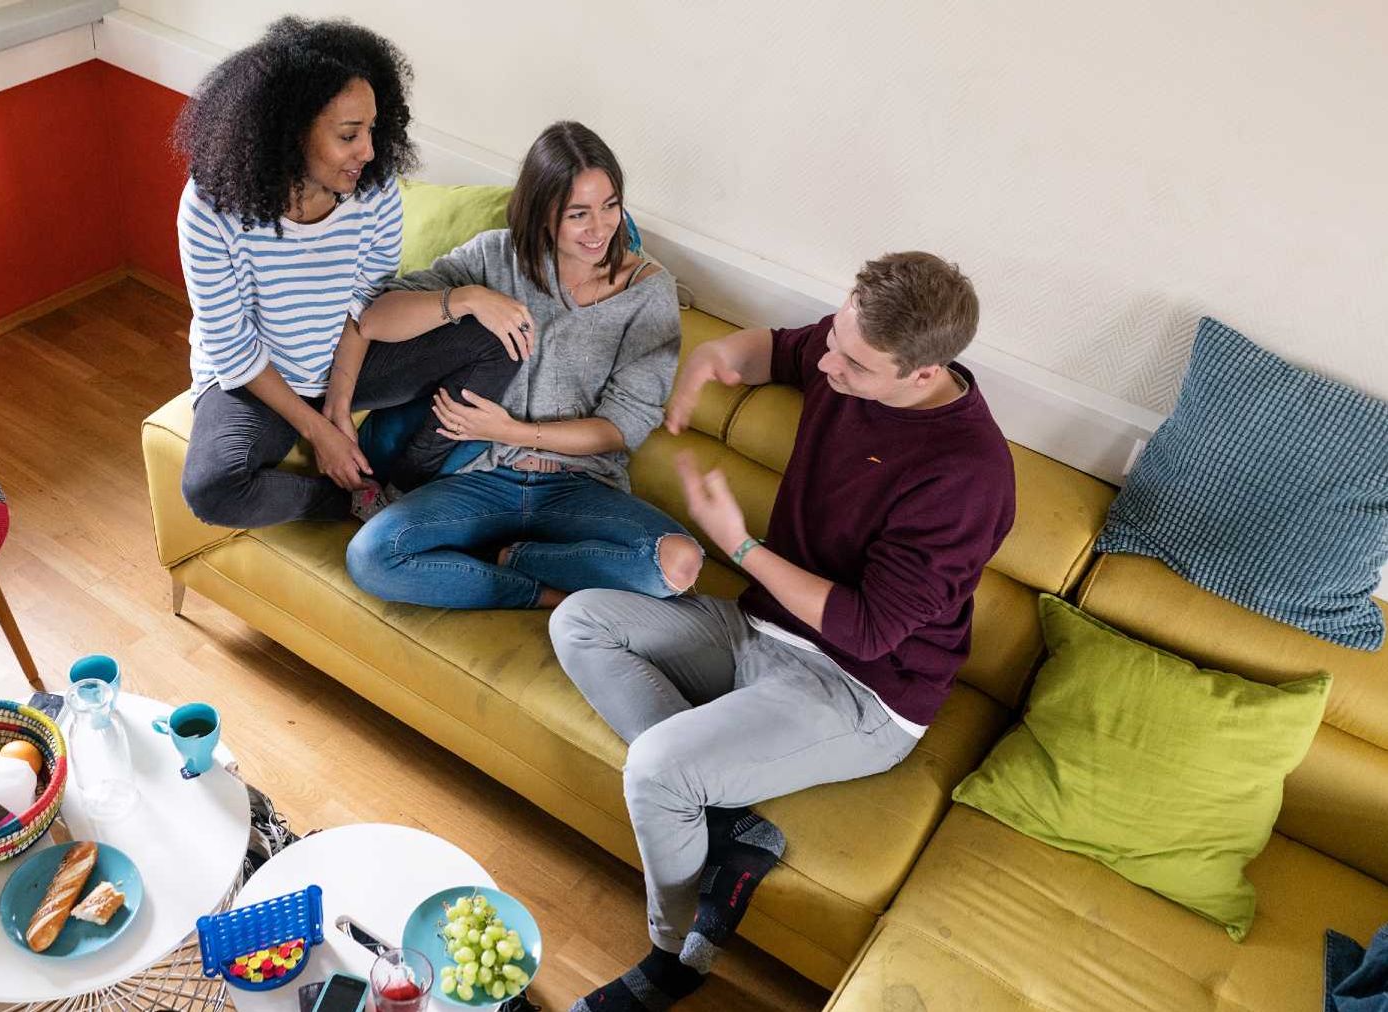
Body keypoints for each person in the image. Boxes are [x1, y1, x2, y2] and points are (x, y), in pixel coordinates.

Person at [550, 253, 1016, 1011]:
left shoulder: (966, 478)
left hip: (860, 690)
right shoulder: (851, 348)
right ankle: (731, 825)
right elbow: (781, 350)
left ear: (924, 374)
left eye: (853, 364)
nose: (827, 361)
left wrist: (740, 546)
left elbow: (866, 632)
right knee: (582, 621)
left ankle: (674, 957)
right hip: (761, 631)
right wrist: (714, 357)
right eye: (834, 336)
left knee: (657, 770)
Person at [174, 17, 521, 528]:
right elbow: (231, 348)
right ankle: (349, 502)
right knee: (212, 489)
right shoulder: (210, 207)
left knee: (499, 340)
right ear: (290, 134)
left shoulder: (374, 189)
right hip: (257, 378)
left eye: (373, 130)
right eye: (348, 135)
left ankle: (404, 485)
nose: (370, 151)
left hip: (348, 354)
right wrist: (319, 433)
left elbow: (367, 301)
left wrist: (338, 398)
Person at [344, 121, 702, 609]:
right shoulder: (495, 256)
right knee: (371, 556)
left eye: (610, 206)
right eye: (579, 214)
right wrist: (466, 298)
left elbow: (622, 427)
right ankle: (538, 593)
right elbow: (375, 318)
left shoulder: (649, 292)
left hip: (579, 488)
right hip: (480, 479)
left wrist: (513, 431)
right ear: (541, 214)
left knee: (678, 563)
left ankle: (516, 557)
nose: (599, 229)